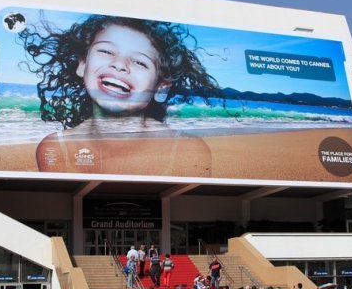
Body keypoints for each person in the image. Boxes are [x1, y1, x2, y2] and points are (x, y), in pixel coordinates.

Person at [29, 16, 223, 176]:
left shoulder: (188, 151)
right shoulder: (56, 148)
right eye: (106, 51)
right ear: (82, 64)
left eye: (140, 62)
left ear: (161, 87)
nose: (120, 64)